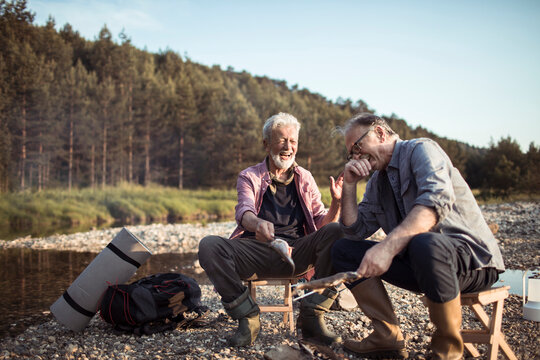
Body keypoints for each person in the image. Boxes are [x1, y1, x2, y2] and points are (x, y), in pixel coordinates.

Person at [331, 113, 505, 359]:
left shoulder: (422, 150)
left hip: (471, 261)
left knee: (425, 242)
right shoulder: (376, 182)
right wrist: (349, 186)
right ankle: (386, 336)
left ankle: (447, 352)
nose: (357, 157)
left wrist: (388, 247)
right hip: (423, 263)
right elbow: (354, 230)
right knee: (343, 250)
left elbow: (434, 203)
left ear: (380, 133)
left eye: (358, 147)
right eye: (352, 154)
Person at [198, 112, 344, 347]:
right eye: (281, 140)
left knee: (338, 231)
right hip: (256, 251)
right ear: (266, 144)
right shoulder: (249, 176)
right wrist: (257, 224)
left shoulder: (305, 177)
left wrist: (336, 202)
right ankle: (248, 316)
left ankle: (311, 317)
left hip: (297, 253)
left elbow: (321, 227)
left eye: (293, 141)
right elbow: (244, 212)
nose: (288, 147)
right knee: (209, 245)